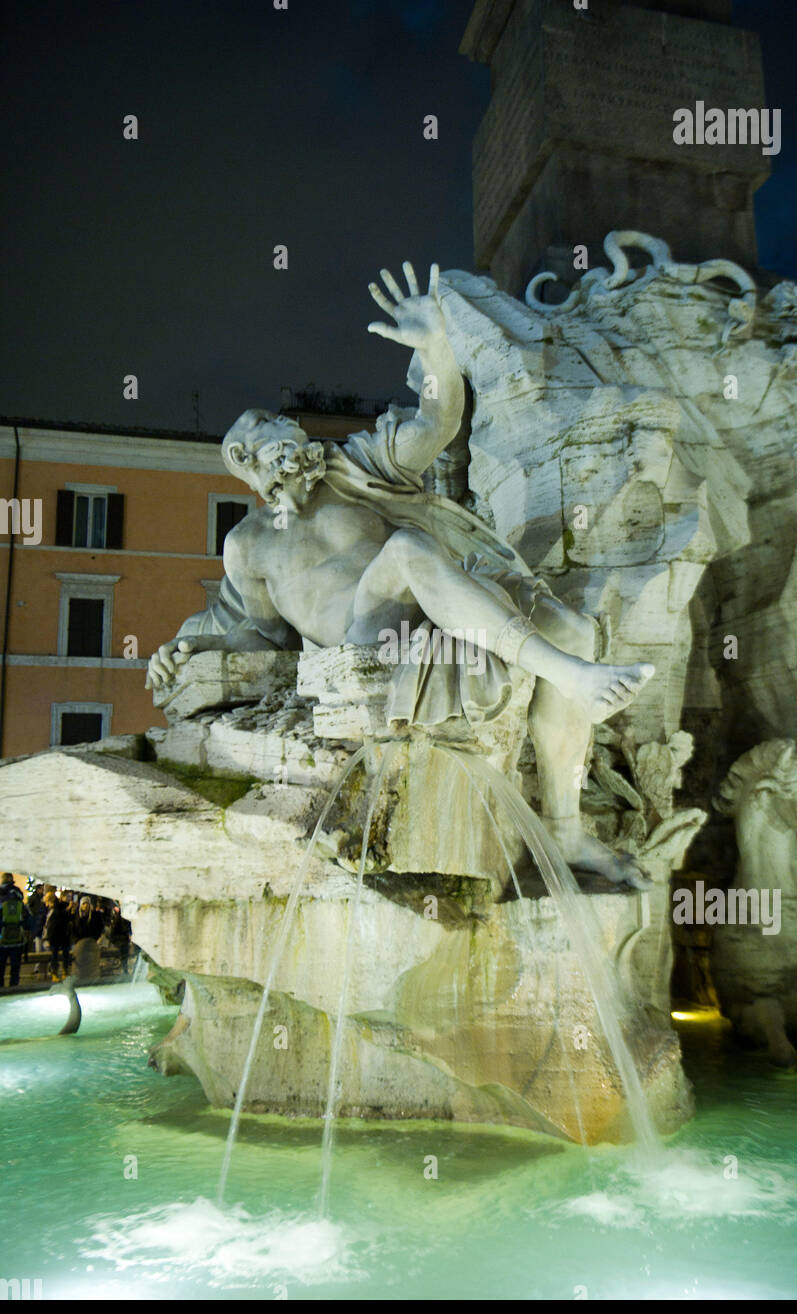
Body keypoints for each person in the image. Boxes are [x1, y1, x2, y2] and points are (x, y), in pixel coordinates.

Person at [146, 263, 655, 890]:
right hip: (366, 639)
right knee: (409, 548)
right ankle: (573, 675)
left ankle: (566, 829)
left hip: (437, 610)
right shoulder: (247, 545)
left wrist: (436, 346)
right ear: (246, 470)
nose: (270, 442)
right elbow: (259, 637)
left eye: (273, 425)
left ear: (296, 431)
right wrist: (190, 647)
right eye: (250, 446)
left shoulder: (355, 470)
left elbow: (435, 425)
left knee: (572, 626)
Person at [0, 873, 29, 987]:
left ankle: (1, 989)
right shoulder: (20, 901)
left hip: (2, 939)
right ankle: (14, 987)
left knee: (1, 967)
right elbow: (28, 919)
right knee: (15, 967)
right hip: (17, 939)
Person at [45, 888, 71, 977]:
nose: (69, 899)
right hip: (56, 934)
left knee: (64, 954)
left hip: (62, 934)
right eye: (67, 897)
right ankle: (55, 972)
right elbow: (56, 919)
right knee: (55, 954)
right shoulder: (57, 907)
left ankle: (63, 971)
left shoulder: (59, 907)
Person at [108, 904, 132, 975]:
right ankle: (124, 969)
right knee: (124, 949)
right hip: (121, 939)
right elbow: (118, 929)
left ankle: (125, 969)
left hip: (124, 938)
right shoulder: (121, 917)